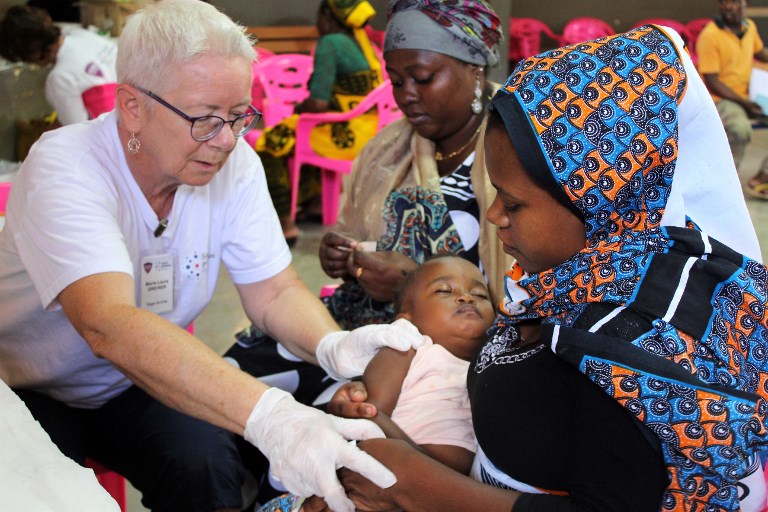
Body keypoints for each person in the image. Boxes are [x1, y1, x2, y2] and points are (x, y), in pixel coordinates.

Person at [0, 1, 427, 511]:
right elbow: (106, 324)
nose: (226, 140)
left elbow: (272, 289)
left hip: (133, 383)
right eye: (204, 119)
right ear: (133, 106)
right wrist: (270, 414)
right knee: (50, 496)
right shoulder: (66, 167)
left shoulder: (233, 162)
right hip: (27, 388)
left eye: (238, 116)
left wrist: (331, 343)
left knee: (208, 467)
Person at [323, 24, 768, 512]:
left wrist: (417, 484)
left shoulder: (633, 351)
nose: (494, 217)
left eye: (512, 204)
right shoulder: (569, 276)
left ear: (597, 201)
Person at [318, 0, 514, 330]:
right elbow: (353, 229)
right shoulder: (386, 150)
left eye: (422, 78)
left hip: (470, 347)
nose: (406, 95)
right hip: (374, 328)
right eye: (396, 81)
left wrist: (411, 284)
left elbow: (537, 282)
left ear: (475, 71)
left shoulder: (518, 147)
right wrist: (343, 255)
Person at [257, 0, 384, 244]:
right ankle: (316, 204)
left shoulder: (330, 43)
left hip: (344, 135)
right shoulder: (363, 43)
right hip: (369, 130)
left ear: (327, 15)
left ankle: (284, 224)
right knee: (302, 131)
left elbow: (318, 104)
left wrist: (297, 109)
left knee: (271, 141)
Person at [362, 255, 495, 475]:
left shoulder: (495, 362)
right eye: (444, 290)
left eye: (480, 294)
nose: (466, 297)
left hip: (459, 489)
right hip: (394, 468)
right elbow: (369, 415)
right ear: (407, 319)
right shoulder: (408, 348)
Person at [697, 0, 768, 199]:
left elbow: (760, 52)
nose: (729, 7)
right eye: (724, 2)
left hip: (750, 94)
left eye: (735, 2)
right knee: (739, 129)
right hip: (723, 99)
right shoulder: (710, 35)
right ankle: (726, 185)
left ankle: (763, 178)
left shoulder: (750, 27)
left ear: (746, 4)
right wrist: (745, 103)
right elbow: (712, 81)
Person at [0, 5, 118, 125]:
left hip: (117, 133)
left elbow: (76, 131)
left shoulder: (59, 79)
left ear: (30, 53)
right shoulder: (83, 35)